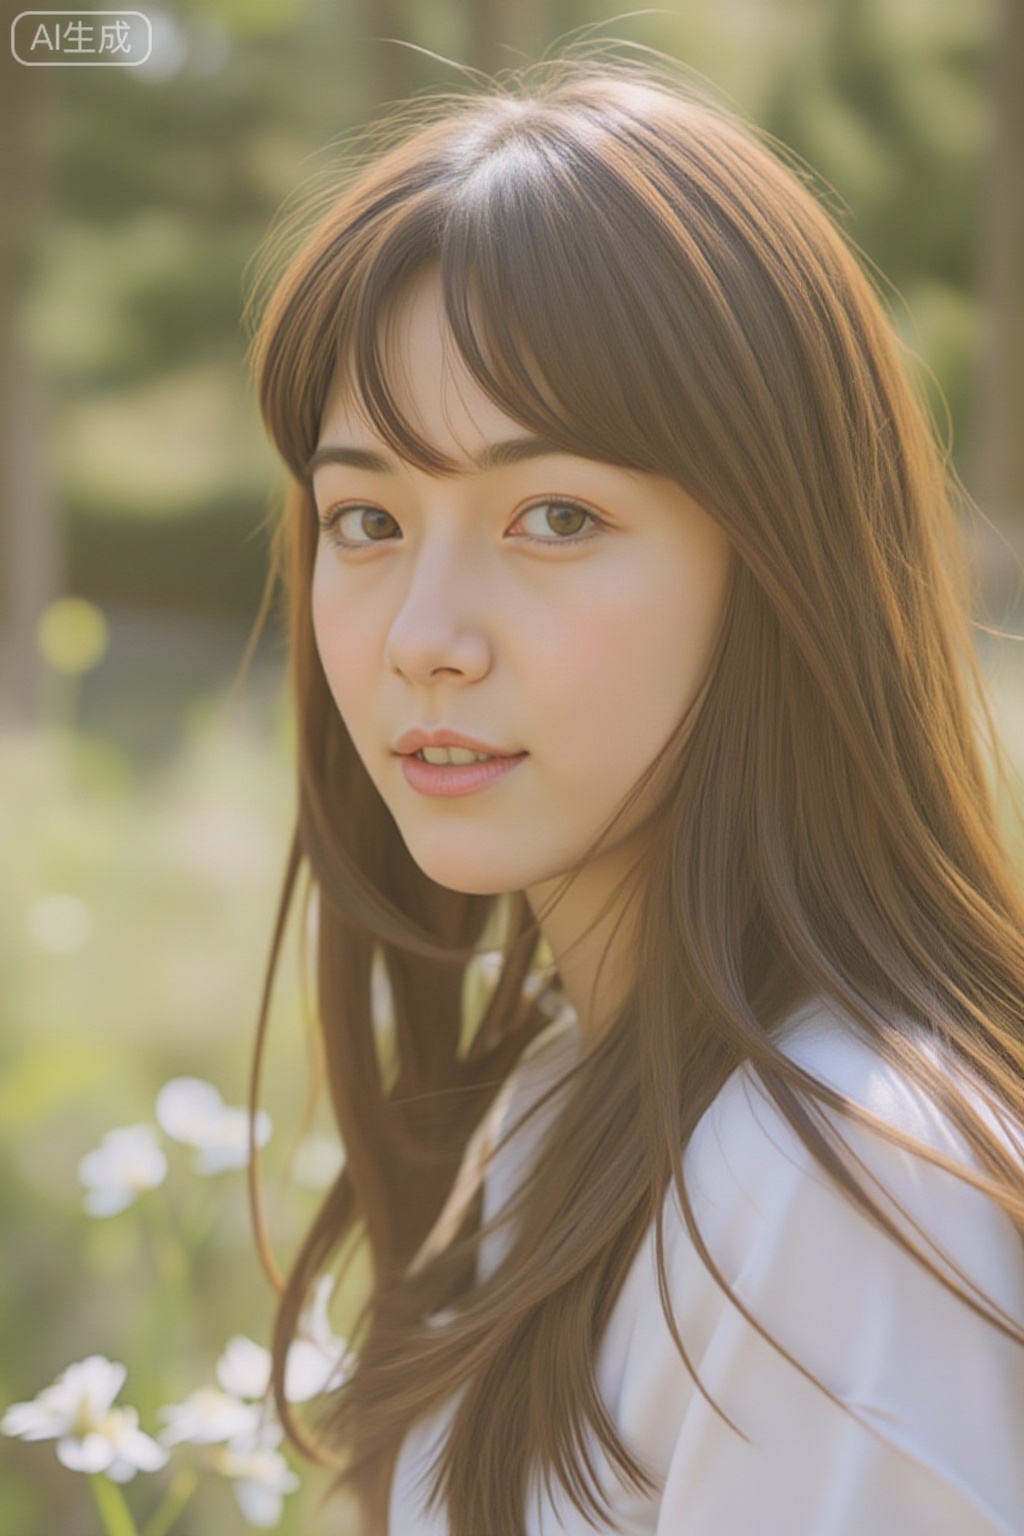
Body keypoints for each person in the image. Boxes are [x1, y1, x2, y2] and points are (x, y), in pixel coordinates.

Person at [242, 54, 1024, 1536]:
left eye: (555, 516)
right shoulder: (563, 1091)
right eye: (367, 519)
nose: (423, 637)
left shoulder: (838, 1183)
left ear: (783, 560)